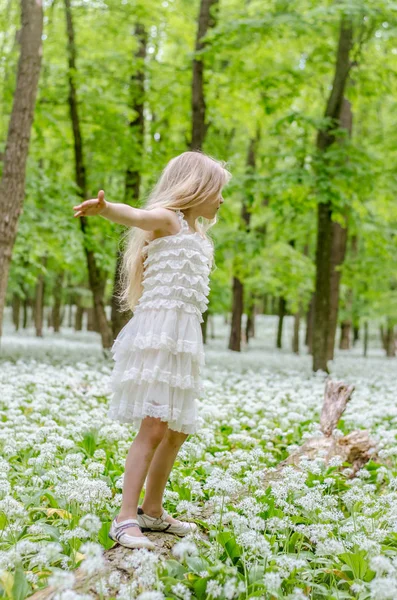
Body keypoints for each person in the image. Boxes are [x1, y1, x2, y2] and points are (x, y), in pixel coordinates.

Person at [73, 150, 232, 550]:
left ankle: (153, 511)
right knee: (154, 425)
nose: (222, 199)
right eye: (218, 190)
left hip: (184, 337)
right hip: (158, 333)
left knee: (176, 431)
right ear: (195, 187)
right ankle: (125, 517)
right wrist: (107, 209)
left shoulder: (199, 236)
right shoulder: (169, 220)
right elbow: (137, 216)